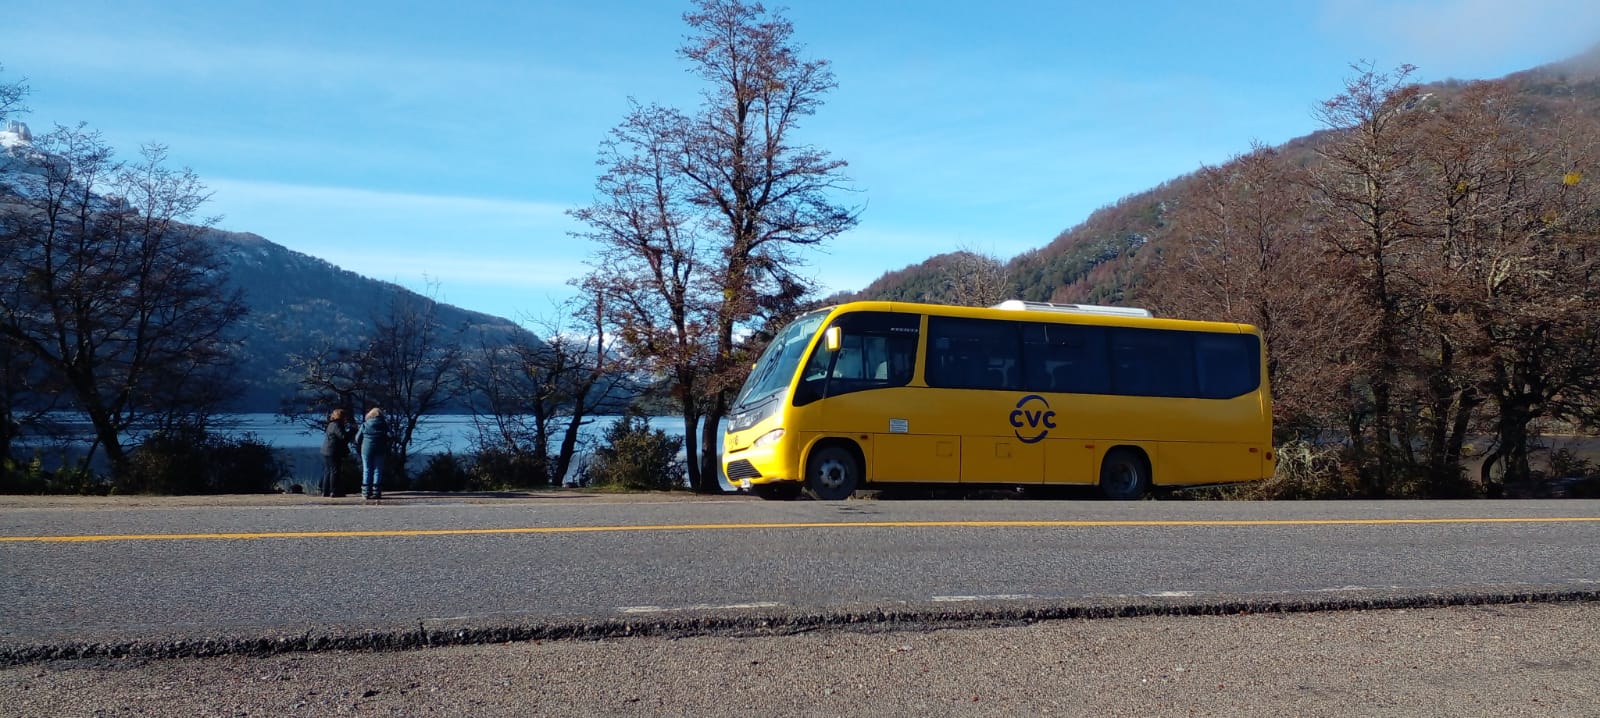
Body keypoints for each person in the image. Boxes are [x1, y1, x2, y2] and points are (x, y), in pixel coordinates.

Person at [354, 407, 391, 500]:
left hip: (366, 449)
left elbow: (357, 439)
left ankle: (366, 492)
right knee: (378, 470)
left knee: (367, 469)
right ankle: (376, 492)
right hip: (380, 449)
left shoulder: (365, 425)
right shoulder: (384, 425)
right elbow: (390, 436)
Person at [319, 408, 353, 497]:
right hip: (333, 451)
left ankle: (325, 491)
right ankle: (334, 491)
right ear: (342, 416)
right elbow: (343, 437)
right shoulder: (337, 425)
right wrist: (351, 432)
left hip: (326, 450)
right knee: (335, 471)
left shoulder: (331, 424)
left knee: (328, 471)